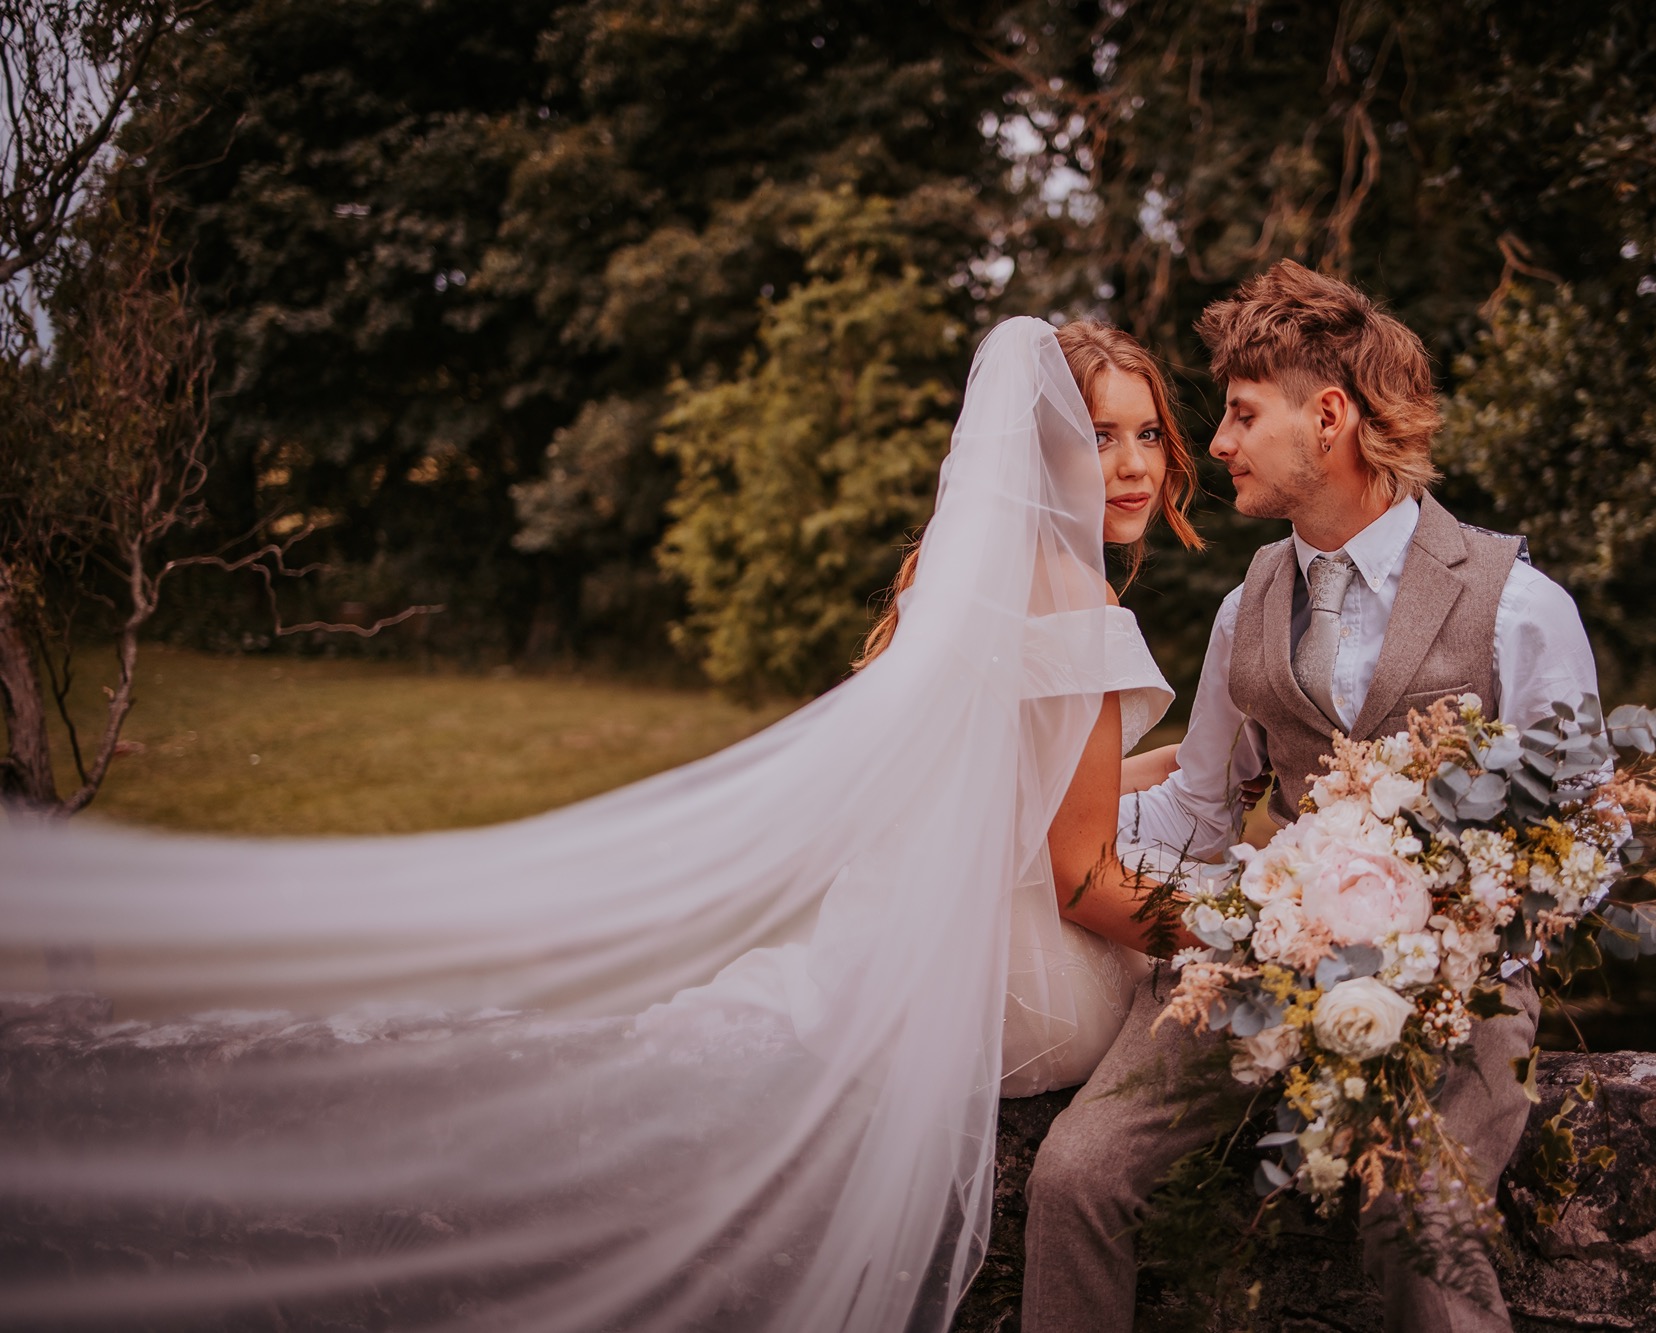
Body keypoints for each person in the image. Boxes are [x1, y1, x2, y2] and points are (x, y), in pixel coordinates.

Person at [0, 316, 1195, 1332]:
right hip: (1017, 995)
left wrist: (1178, 764)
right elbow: (1082, 877)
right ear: (1044, 454)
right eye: (1101, 437)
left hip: (894, 946)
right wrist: (1235, 925)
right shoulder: (1085, 606)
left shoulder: (962, 576)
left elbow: (1013, 784)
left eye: (1148, 433)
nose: (1135, 466)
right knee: (1172, 963)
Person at [1021, 261, 1600, 1333]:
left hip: (1448, 992)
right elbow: (1198, 810)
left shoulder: (1515, 604)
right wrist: (1024, 823)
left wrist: (1456, 943)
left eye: (1241, 414)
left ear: (1326, 416)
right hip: (1257, 966)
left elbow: (1583, 840)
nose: (1219, 443)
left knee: (1411, 1213)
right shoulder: (1247, 607)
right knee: (1073, 1178)